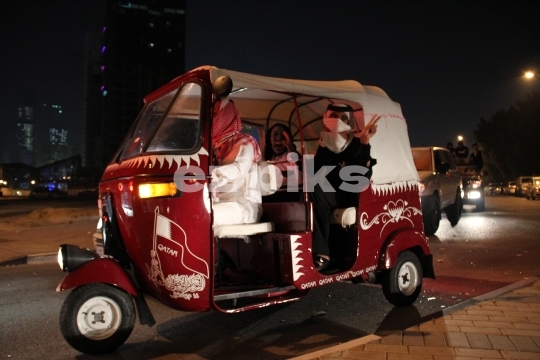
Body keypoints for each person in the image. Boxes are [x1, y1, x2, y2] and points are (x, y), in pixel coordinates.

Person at [310, 103, 380, 271]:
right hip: (327, 191)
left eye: (343, 118)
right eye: (334, 116)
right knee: (304, 191)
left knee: (314, 189)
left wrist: (364, 142)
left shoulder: (356, 143)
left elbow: (361, 176)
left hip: (347, 193)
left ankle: (322, 252)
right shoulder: (323, 142)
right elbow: (315, 171)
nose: (337, 121)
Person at [210, 77, 262, 227]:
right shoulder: (216, 148)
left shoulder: (245, 142)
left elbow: (239, 168)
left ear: (226, 118)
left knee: (203, 216)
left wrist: (212, 175)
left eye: (216, 116)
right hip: (222, 203)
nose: (213, 121)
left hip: (243, 206)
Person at [263, 124, 302, 202]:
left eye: (282, 134)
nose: (279, 138)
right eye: (275, 134)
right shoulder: (268, 158)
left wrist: (291, 148)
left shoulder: (292, 156)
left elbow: (302, 167)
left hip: (291, 197)